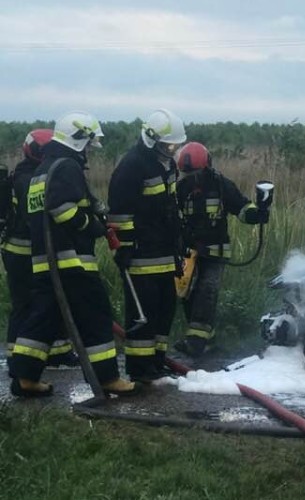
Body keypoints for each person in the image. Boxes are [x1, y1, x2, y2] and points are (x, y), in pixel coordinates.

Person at [8, 111, 137, 397]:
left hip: (45, 261)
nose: (90, 149)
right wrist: (94, 227)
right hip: (71, 261)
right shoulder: (67, 166)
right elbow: (62, 208)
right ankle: (107, 378)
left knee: (43, 319)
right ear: (79, 139)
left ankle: (24, 377)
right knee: (96, 315)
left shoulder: (43, 168)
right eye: (89, 143)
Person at [108, 109, 186, 382]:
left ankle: (156, 360)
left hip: (165, 251)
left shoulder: (166, 165)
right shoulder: (133, 165)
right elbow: (119, 211)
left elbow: (170, 206)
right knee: (143, 313)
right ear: (152, 139)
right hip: (140, 254)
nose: (171, 150)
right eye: (168, 145)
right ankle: (139, 368)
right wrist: (125, 246)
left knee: (165, 309)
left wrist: (178, 241)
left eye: (174, 145)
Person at [172, 142, 268, 357]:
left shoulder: (221, 184)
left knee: (207, 291)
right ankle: (208, 342)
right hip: (189, 252)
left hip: (215, 252)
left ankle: (195, 342)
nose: (191, 177)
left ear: (206, 167)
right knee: (188, 295)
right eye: (187, 173)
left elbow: (241, 207)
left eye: (195, 172)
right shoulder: (180, 188)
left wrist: (256, 213)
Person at [2, 129, 79, 369]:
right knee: (25, 303)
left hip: (33, 250)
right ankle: (16, 354)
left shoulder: (33, 174)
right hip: (21, 251)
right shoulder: (26, 179)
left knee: (50, 301)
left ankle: (58, 352)